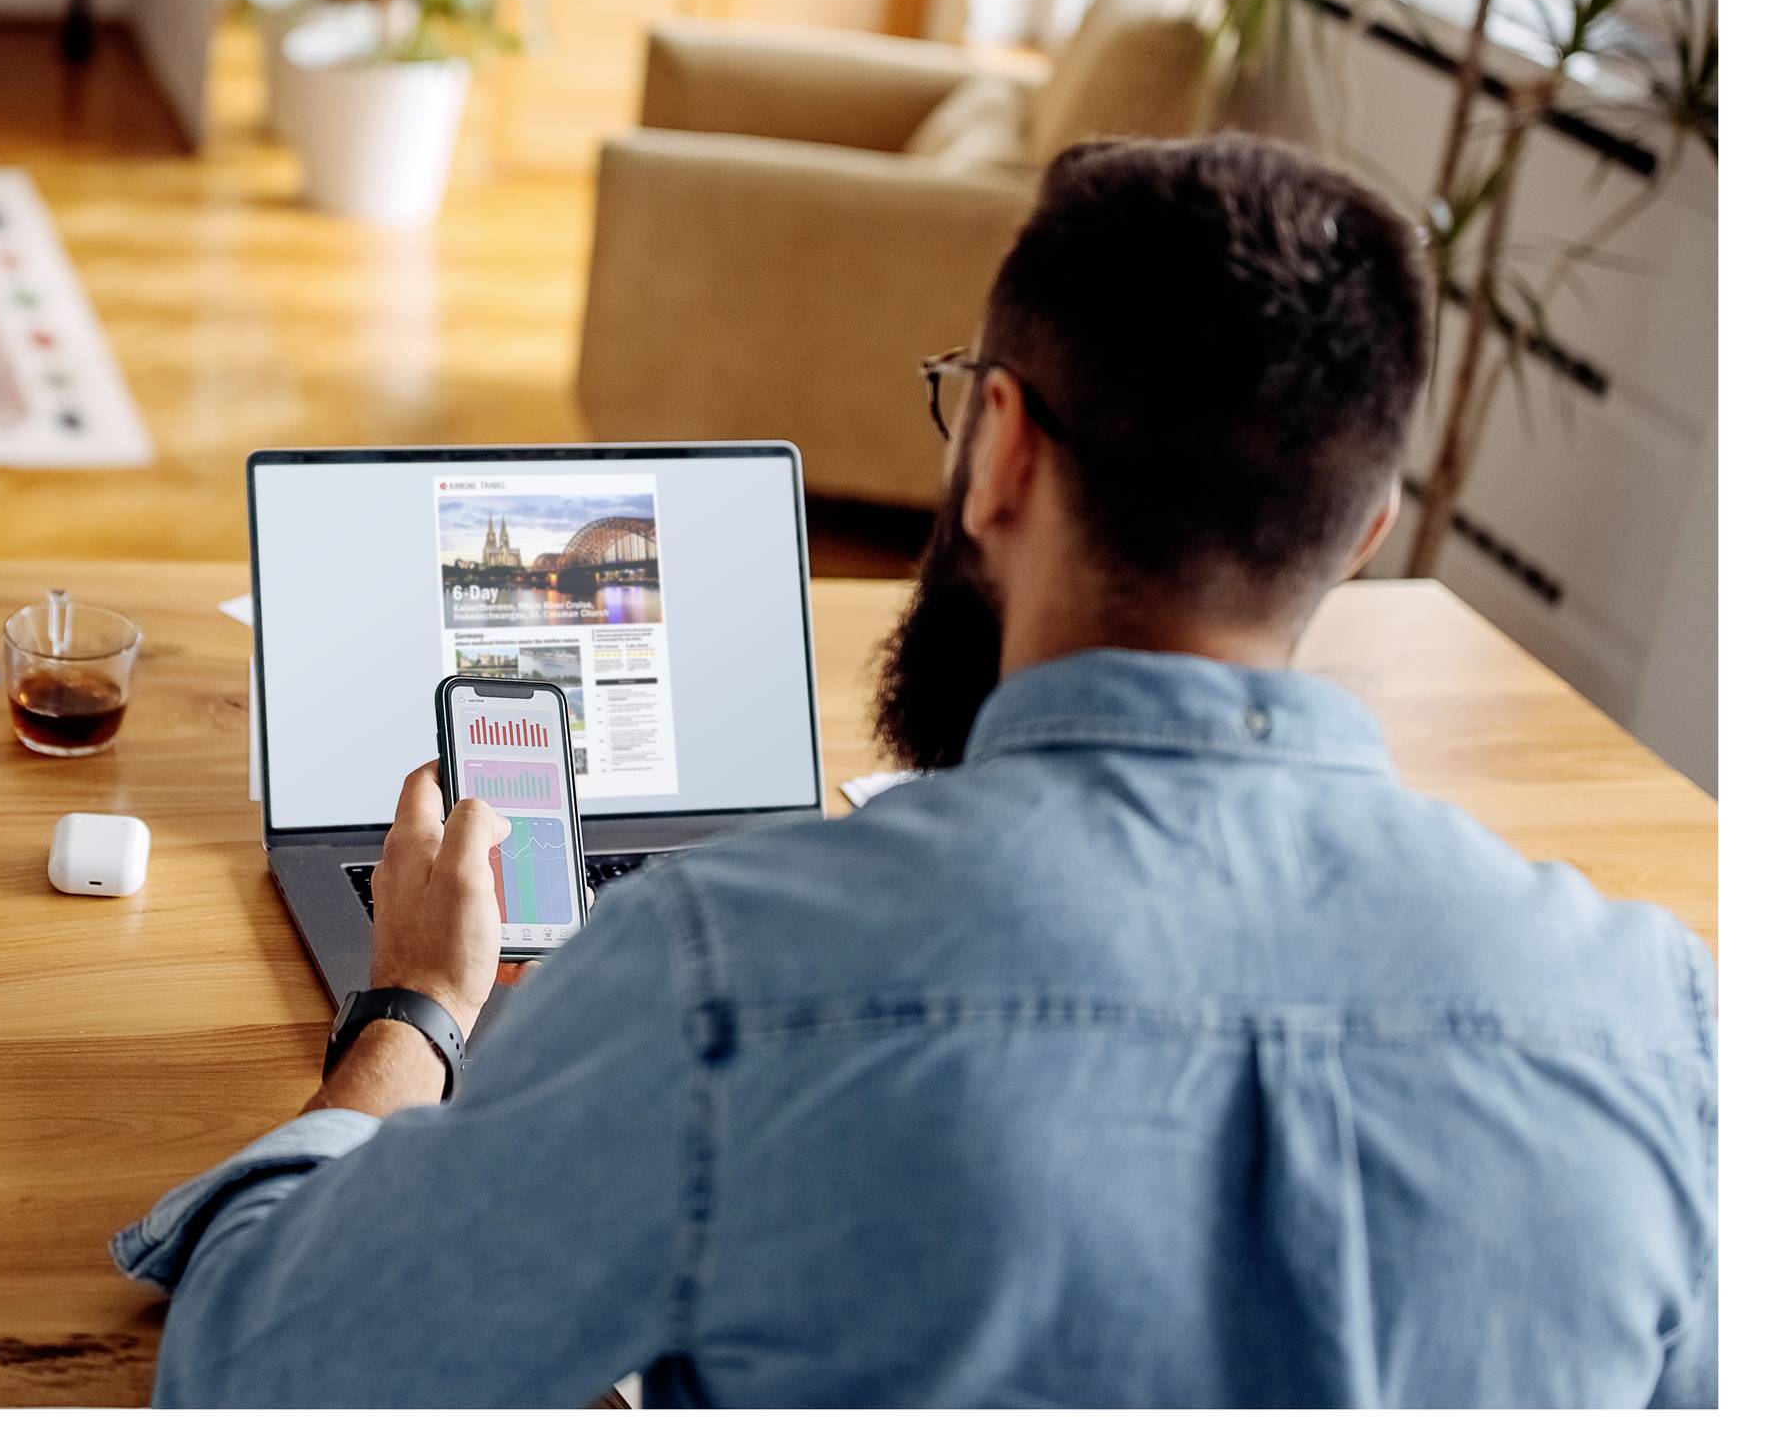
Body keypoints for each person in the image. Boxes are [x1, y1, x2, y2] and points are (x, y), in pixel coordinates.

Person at [113, 136, 1716, 1407]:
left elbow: (262, 1377)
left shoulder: (729, 975)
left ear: (1003, 448)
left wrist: (412, 1014)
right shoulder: (1663, 1022)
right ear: (1361, 537)